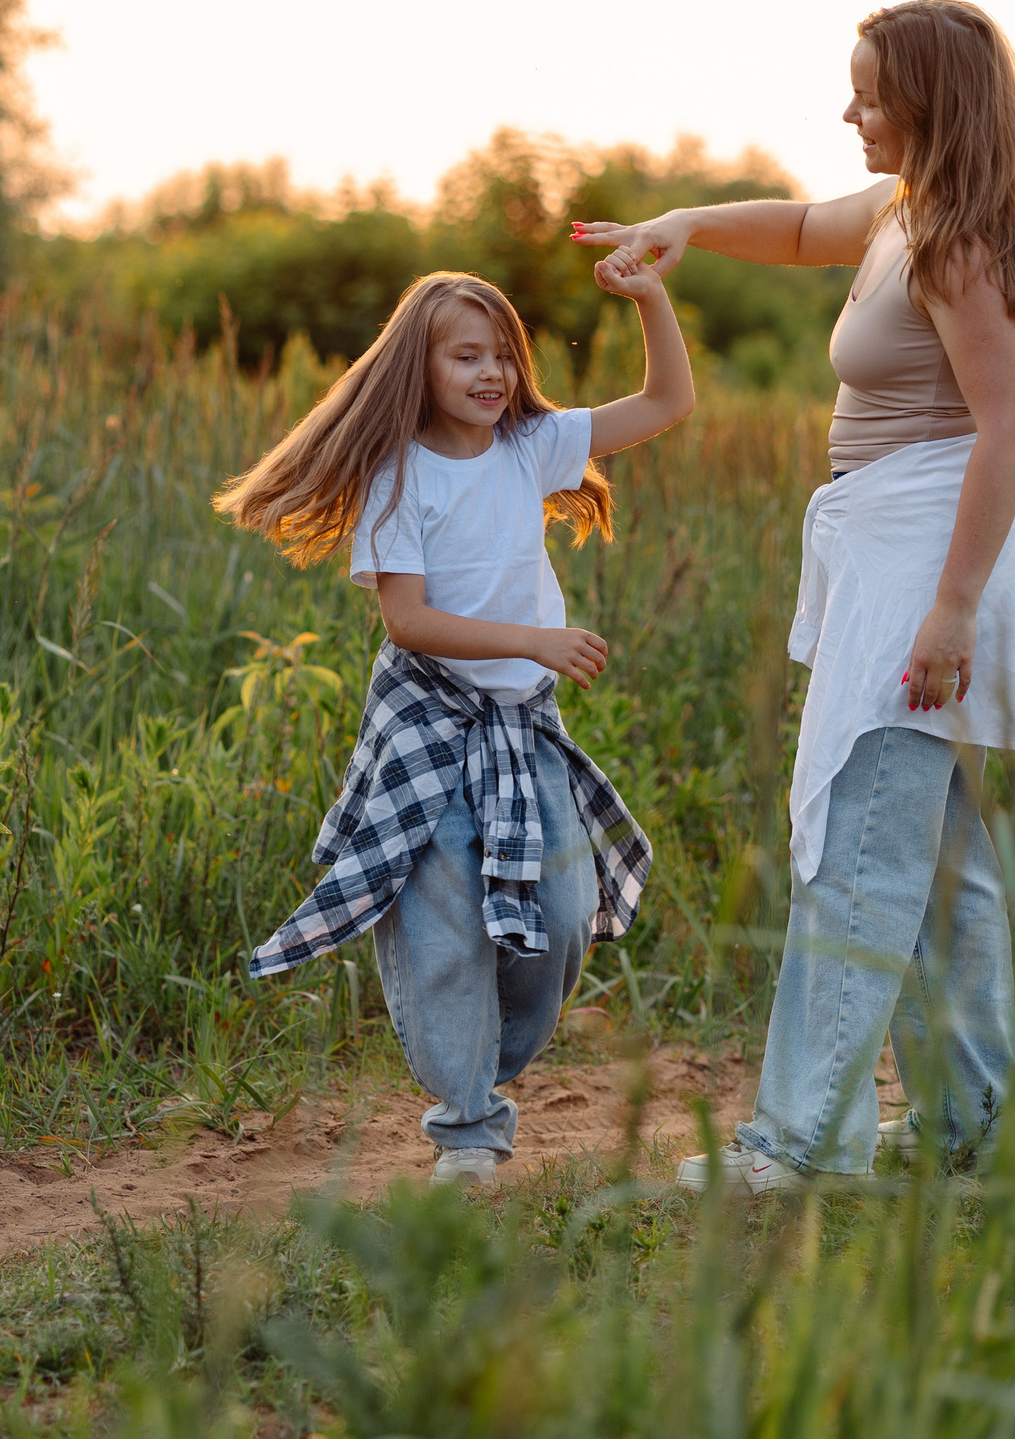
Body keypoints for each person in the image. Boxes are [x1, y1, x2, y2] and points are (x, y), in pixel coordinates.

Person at [574, 0, 1015, 1193]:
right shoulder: (907, 214)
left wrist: (949, 607)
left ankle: (802, 1144)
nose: (848, 112)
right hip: (888, 546)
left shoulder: (956, 242)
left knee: (858, 851)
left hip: (926, 557)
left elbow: (1008, 430)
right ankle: (980, 1129)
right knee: (935, 865)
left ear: (930, 104)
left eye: (869, 94)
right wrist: (681, 222)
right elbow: (795, 228)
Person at [216, 256, 696, 1187]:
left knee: (560, 913)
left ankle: (486, 1062)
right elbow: (409, 620)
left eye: (503, 357)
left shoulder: (532, 448)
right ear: (420, 368)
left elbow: (667, 399)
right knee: (444, 923)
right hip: (426, 718)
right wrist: (535, 637)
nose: (491, 375)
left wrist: (649, 294)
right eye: (465, 357)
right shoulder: (400, 478)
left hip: (522, 722)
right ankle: (467, 1122)